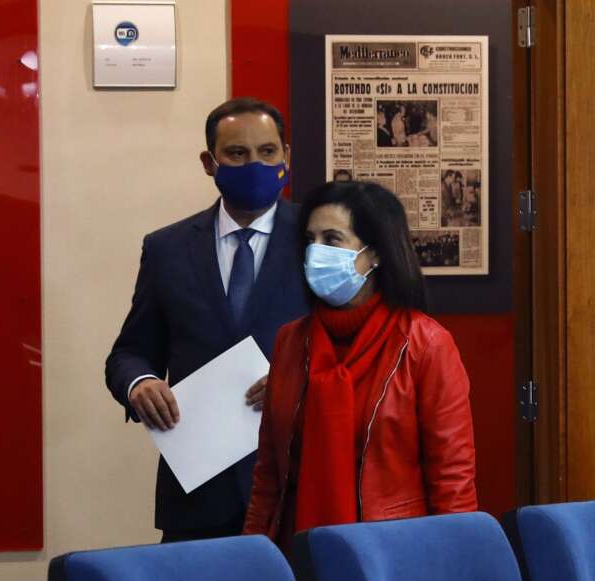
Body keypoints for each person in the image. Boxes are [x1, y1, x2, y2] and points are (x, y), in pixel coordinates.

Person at [105, 98, 310, 543]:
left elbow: (359, 350)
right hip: (199, 493)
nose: (254, 164)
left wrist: (302, 377)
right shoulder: (167, 249)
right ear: (209, 161)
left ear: (286, 156)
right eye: (237, 154)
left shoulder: (318, 241)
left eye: (267, 152)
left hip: (299, 485)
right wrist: (138, 383)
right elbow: (130, 351)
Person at [242, 181, 476, 551]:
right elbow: (269, 474)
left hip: (393, 555)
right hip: (298, 551)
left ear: (375, 254)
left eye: (332, 240)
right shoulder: (290, 342)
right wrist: (251, 554)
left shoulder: (425, 344)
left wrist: (450, 567)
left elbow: (452, 479)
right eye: (310, 240)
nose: (316, 253)